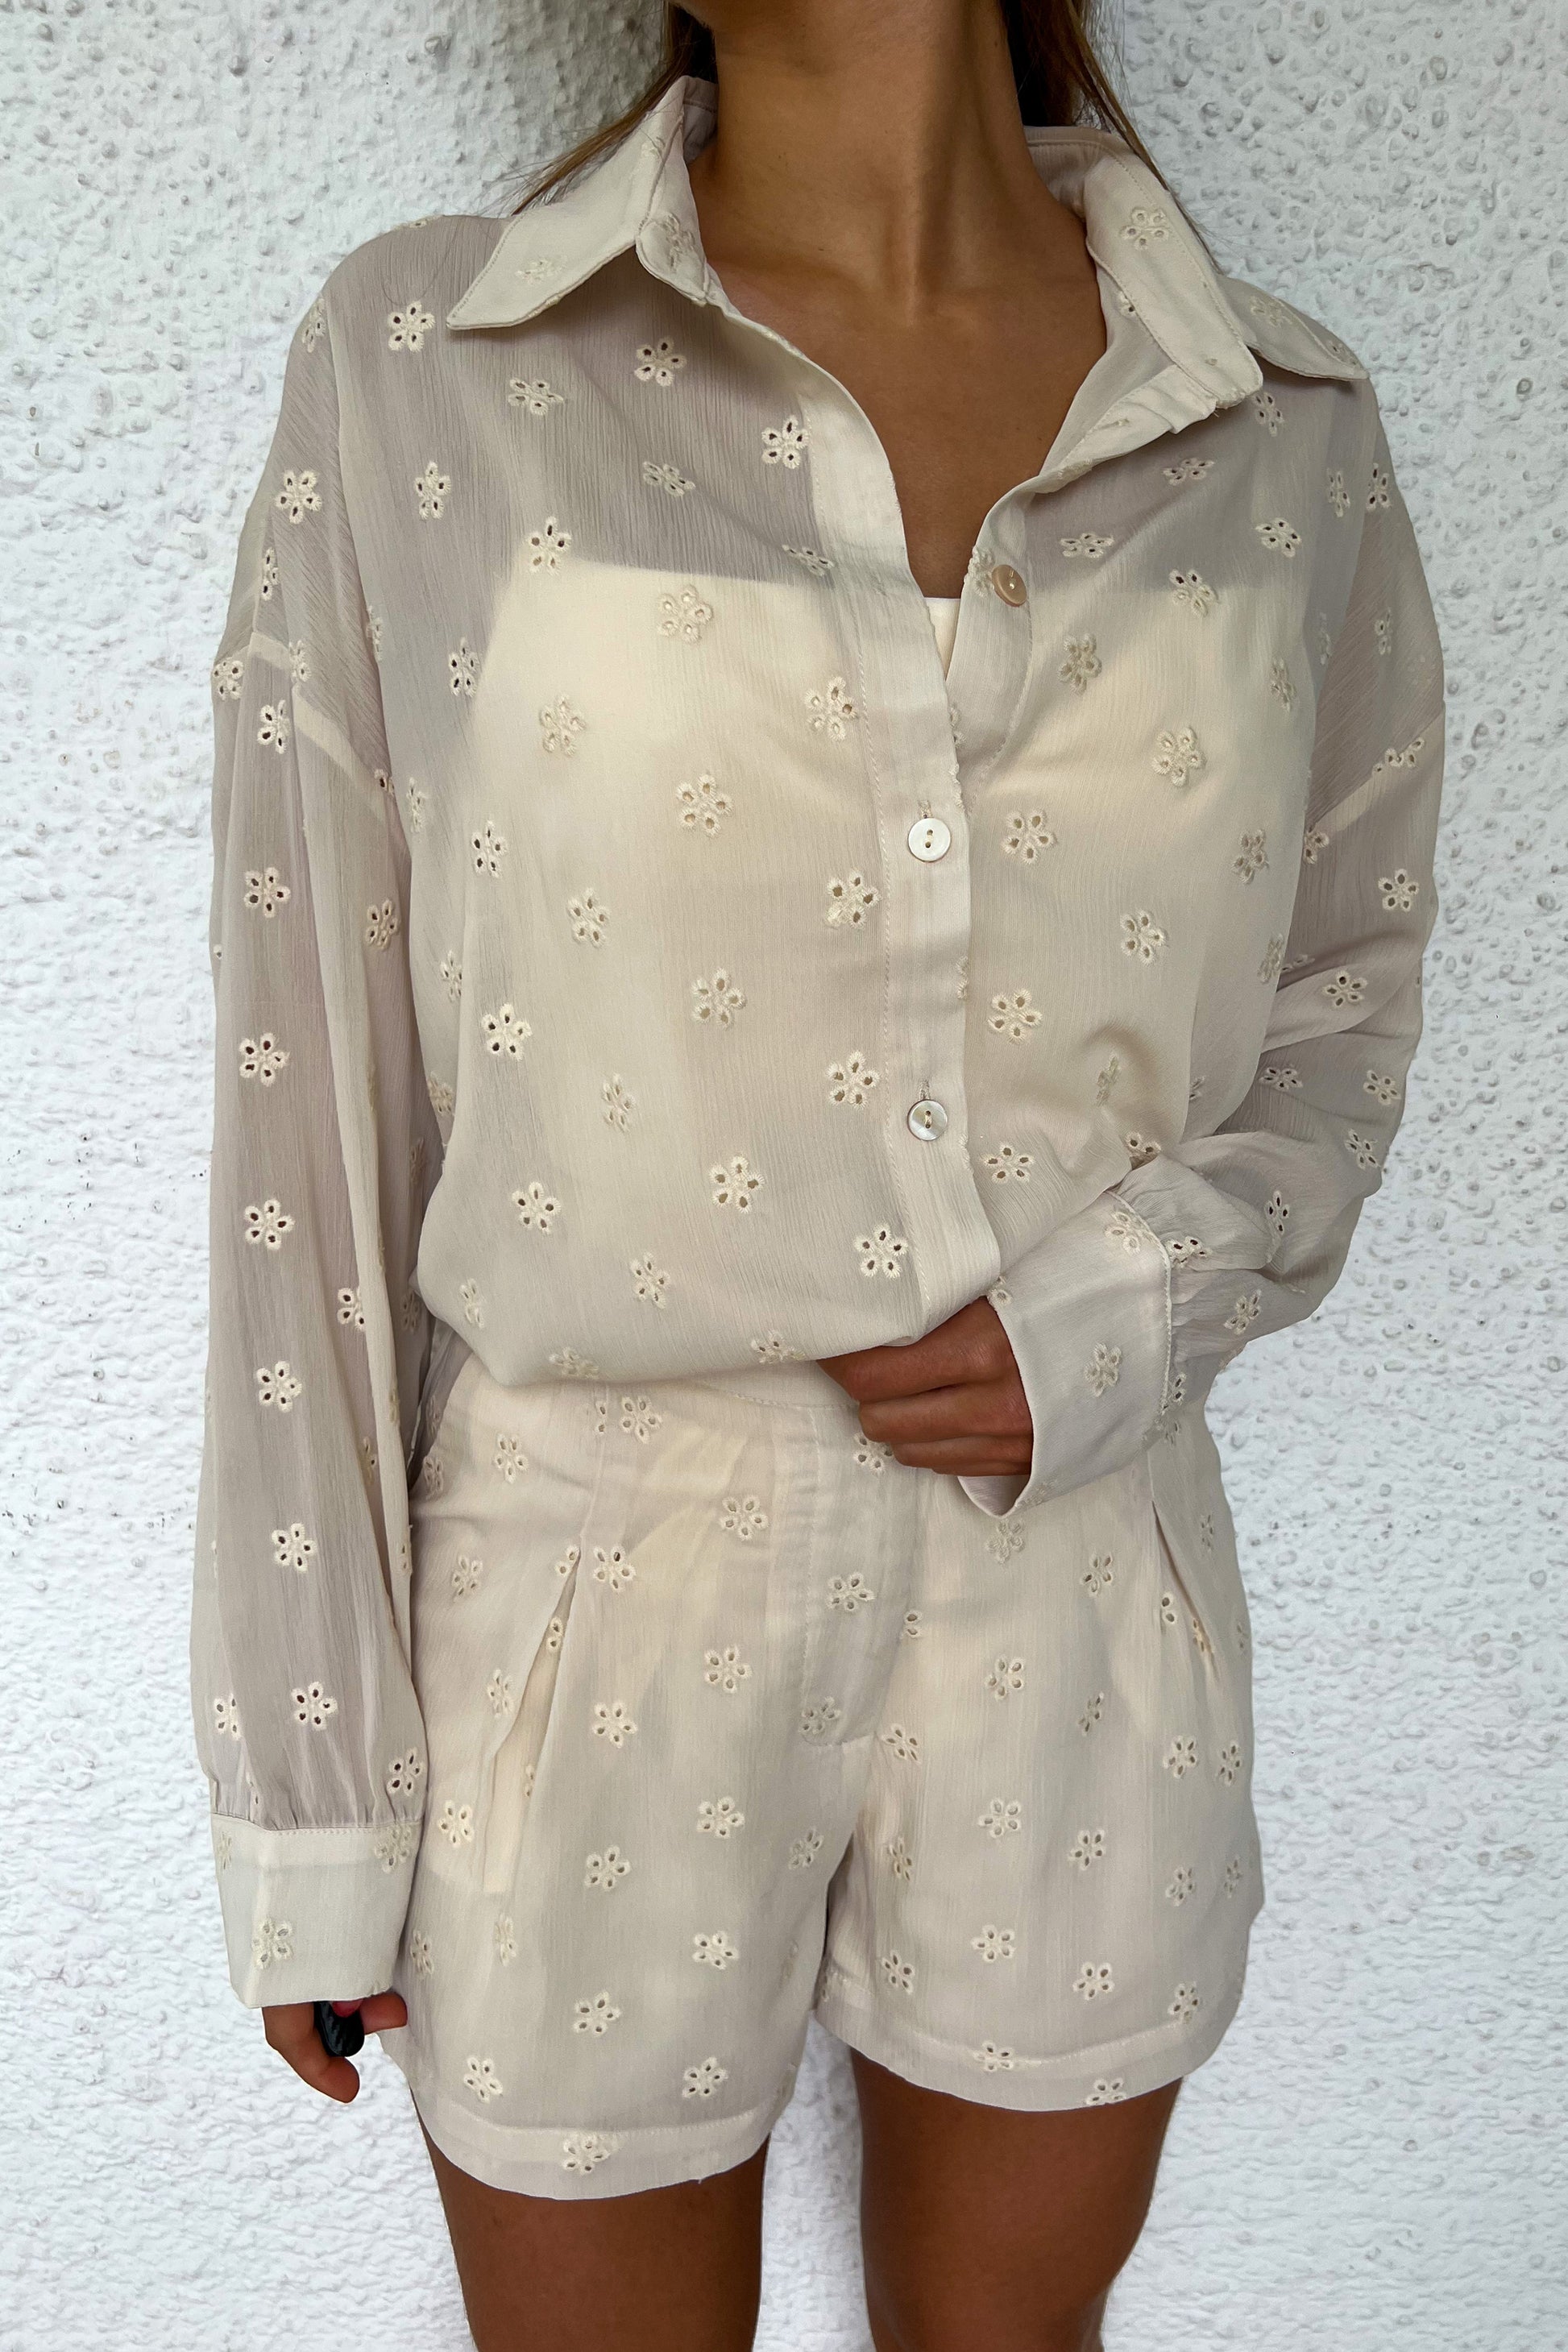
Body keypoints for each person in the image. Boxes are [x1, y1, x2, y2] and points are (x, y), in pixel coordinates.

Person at [191, 2, 1445, 2344]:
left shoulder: (1277, 427)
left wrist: (1144, 1295)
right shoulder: (435, 362)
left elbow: (1340, 1005)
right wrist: (313, 1784)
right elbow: (306, 1114)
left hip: (1086, 1573)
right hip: (586, 1592)